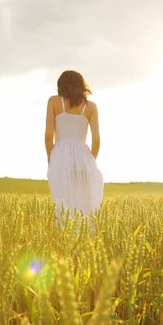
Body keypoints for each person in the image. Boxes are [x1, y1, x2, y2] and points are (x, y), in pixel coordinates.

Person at [45, 70, 103, 220]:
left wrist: (50, 158)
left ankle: (64, 238)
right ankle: (85, 240)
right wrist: (91, 160)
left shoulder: (53, 101)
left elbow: (48, 135)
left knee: (62, 203)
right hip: (84, 157)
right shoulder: (90, 107)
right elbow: (96, 139)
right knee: (83, 203)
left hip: (60, 156)